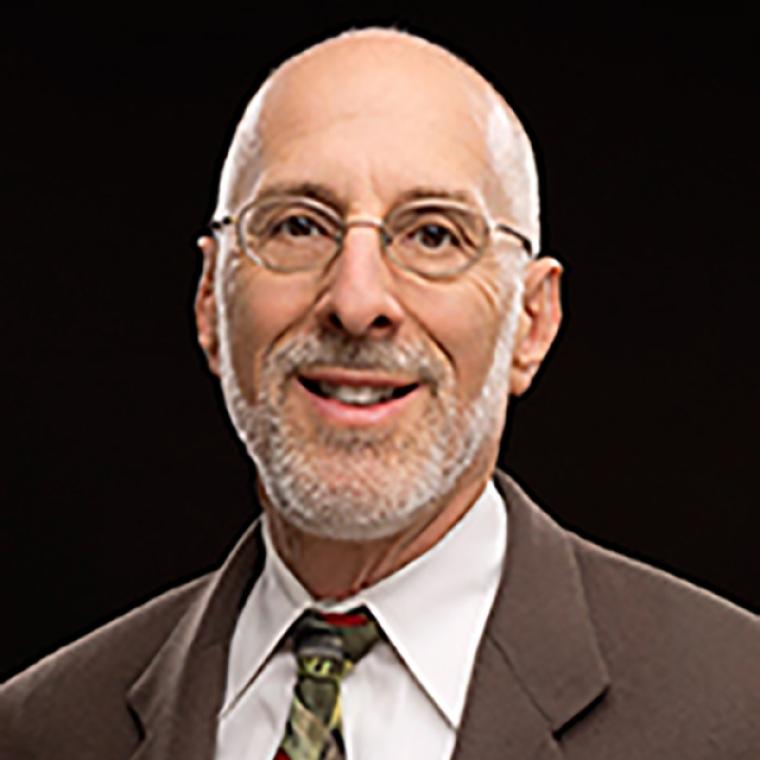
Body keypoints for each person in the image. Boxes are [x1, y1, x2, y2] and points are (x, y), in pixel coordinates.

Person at [1, 26, 758, 760]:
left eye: (433, 235)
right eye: (299, 225)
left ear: (531, 322)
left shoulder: (739, 711)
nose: (357, 300)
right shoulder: (39, 731)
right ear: (210, 301)